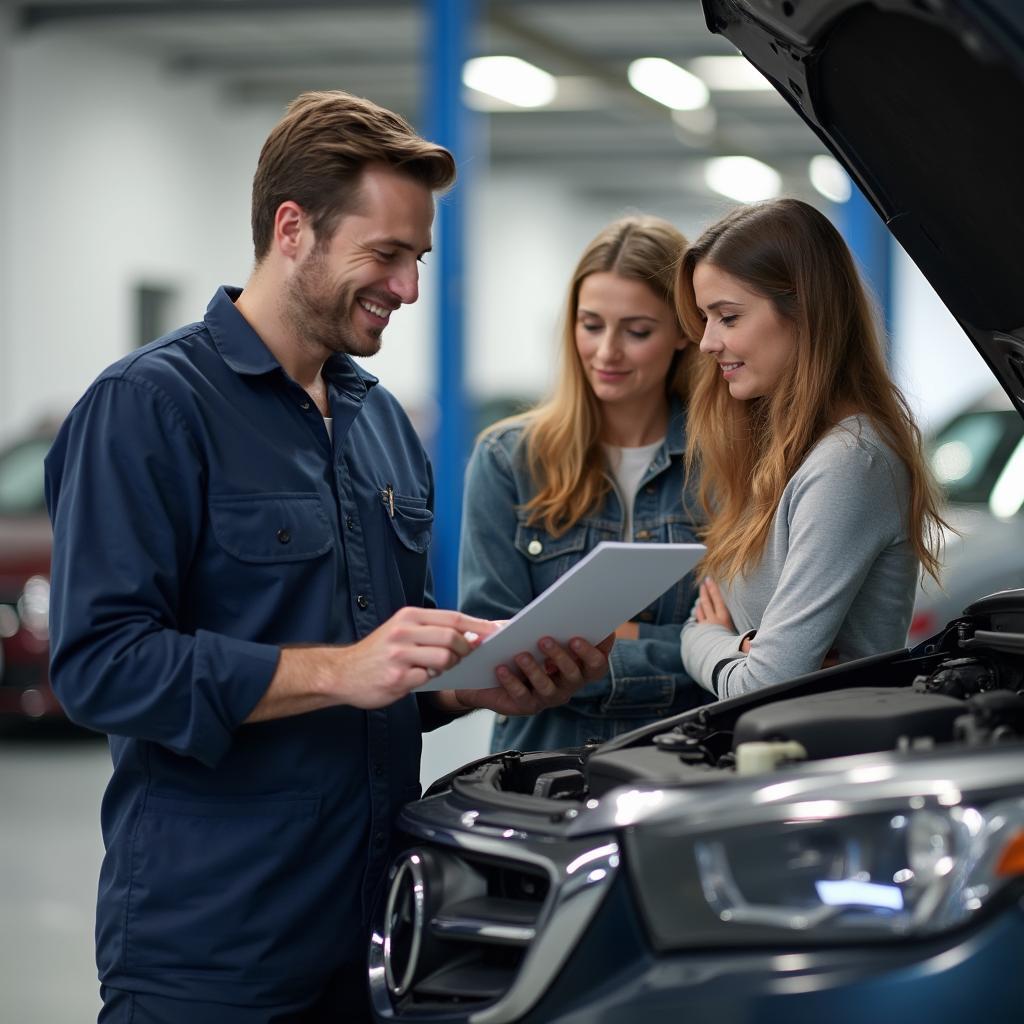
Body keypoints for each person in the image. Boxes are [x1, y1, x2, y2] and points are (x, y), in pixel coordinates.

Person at [44, 90, 610, 1024]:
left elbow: (382, 666)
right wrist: (339, 670)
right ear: (293, 228)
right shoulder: (149, 407)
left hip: (378, 932)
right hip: (215, 946)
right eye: (386, 255)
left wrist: (470, 683)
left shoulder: (381, 422)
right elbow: (101, 667)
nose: (409, 288)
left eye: (418, 259)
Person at [459, 215, 712, 753]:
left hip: (686, 765)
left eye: (637, 330)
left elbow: (757, 650)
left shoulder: (727, 463)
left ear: (685, 334)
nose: (606, 352)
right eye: (591, 325)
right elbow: (497, 652)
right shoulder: (508, 460)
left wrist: (589, 650)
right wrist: (693, 647)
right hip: (540, 771)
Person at [677, 198, 946, 699]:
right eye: (704, 318)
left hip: (829, 761)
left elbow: (764, 683)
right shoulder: (776, 455)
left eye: (728, 317)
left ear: (806, 311)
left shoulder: (850, 463)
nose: (707, 342)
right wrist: (735, 645)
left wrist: (710, 639)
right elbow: (710, 626)